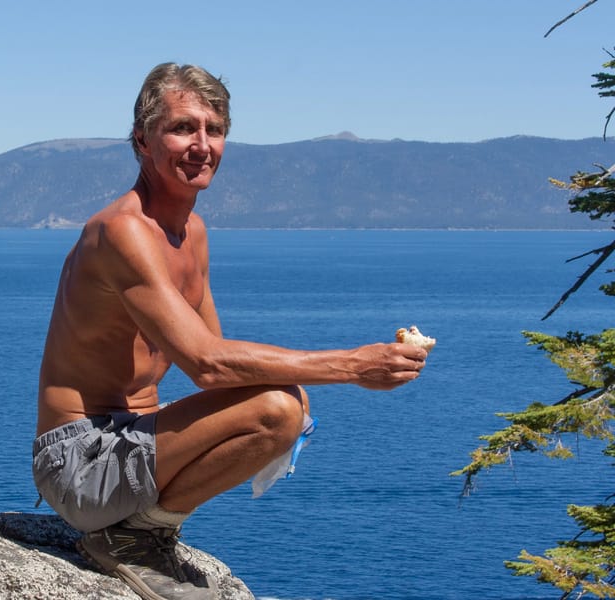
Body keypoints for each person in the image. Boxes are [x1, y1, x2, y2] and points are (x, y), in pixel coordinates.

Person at [32, 62, 428, 600]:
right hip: (79, 461)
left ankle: (140, 535)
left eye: (213, 130)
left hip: (132, 444)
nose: (201, 145)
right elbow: (208, 363)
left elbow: (217, 373)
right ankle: (133, 540)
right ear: (142, 140)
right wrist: (353, 367)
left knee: (286, 402)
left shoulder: (191, 232)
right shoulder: (121, 231)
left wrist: (297, 391)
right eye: (181, 128)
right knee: (277, 408)